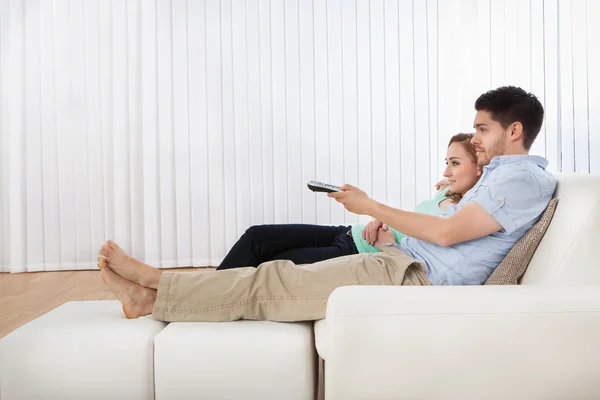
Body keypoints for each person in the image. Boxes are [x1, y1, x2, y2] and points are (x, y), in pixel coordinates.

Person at [97, 85, 557, 323]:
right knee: (272, 272)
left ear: (513, 131)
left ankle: (155, 288)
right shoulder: (501, 176)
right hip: (405, 261)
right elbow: (447, 223)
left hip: (413, 275)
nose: (475, 137)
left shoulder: (521, 179)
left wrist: (368, 205)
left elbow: (445, 233)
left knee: (271, 283)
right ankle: (154, 296)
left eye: (482, 129)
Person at [217, 133, 482, 270]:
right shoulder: (446, 193)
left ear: (479, 168)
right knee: (256, 237)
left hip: (358, 252)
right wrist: (380, 217)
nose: (446, 171)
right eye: (446, 163)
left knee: (271, 264)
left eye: (455, 164)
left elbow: (426, 259)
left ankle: (205, 300)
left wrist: (391, 246)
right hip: (347, 233)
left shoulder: (462, 218)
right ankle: (203, 293)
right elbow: (412, 220)